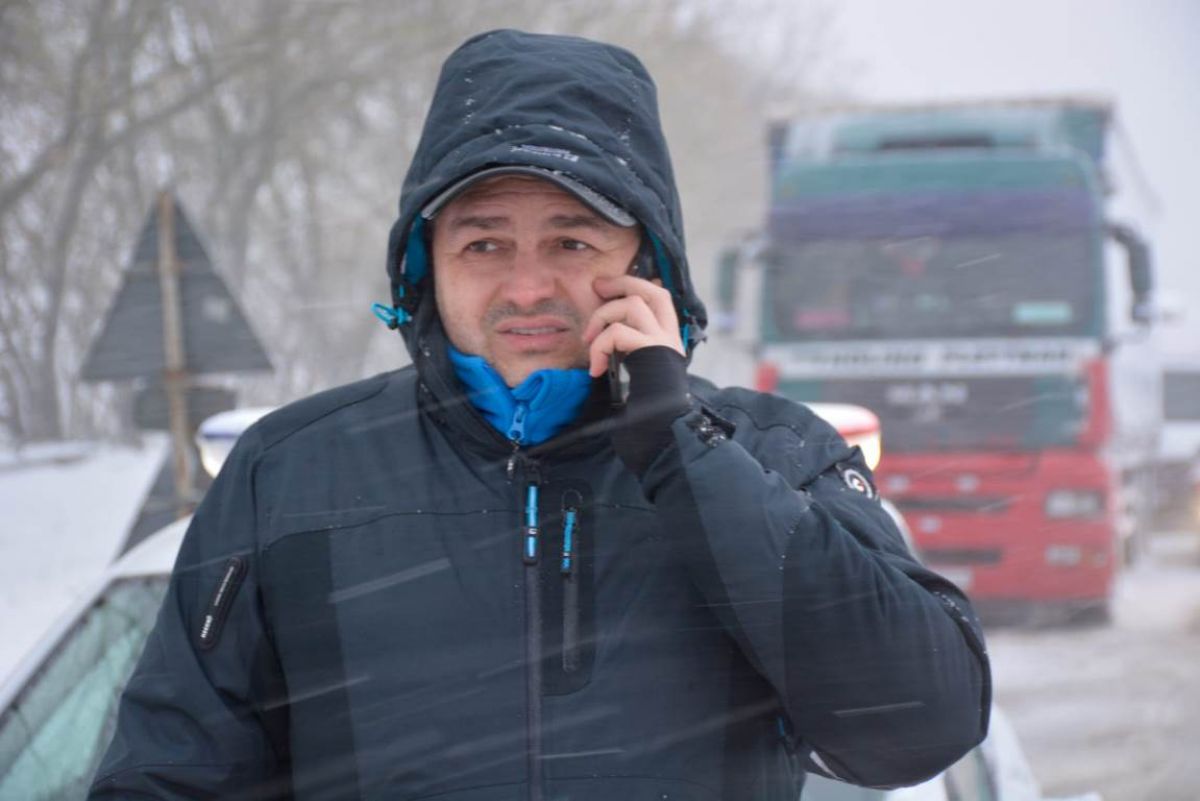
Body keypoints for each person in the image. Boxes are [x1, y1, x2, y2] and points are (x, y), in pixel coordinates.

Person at [91, 29, 990, 800]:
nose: (526, 286)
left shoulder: (774, 453)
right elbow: (165, 776)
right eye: (485, 242)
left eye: (571, 240)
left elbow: (923, 725)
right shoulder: (290, 471)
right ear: (426, 267)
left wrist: (681, 451)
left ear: (645, 262)